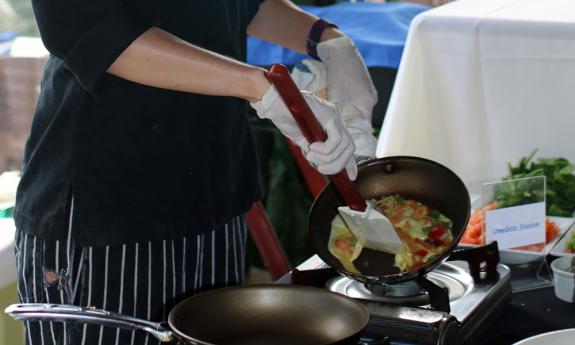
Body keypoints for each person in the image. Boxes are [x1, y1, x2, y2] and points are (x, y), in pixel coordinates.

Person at [13, 0, 377, 344]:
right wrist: (264, 88)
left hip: (214, 195)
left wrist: (327, 40)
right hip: (109, 207)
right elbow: (90, 26)